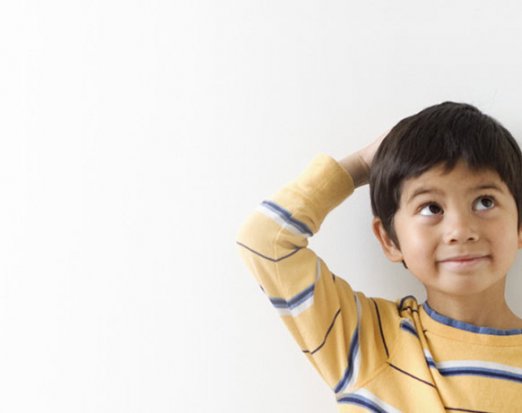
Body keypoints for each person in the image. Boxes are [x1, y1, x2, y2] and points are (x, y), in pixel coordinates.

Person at [236, 101, 522, 412]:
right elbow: (266, 240)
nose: (460, 230)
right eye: (431, 208)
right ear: (388, 239)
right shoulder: (368, 341)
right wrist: (360, 164)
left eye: (484, 202)